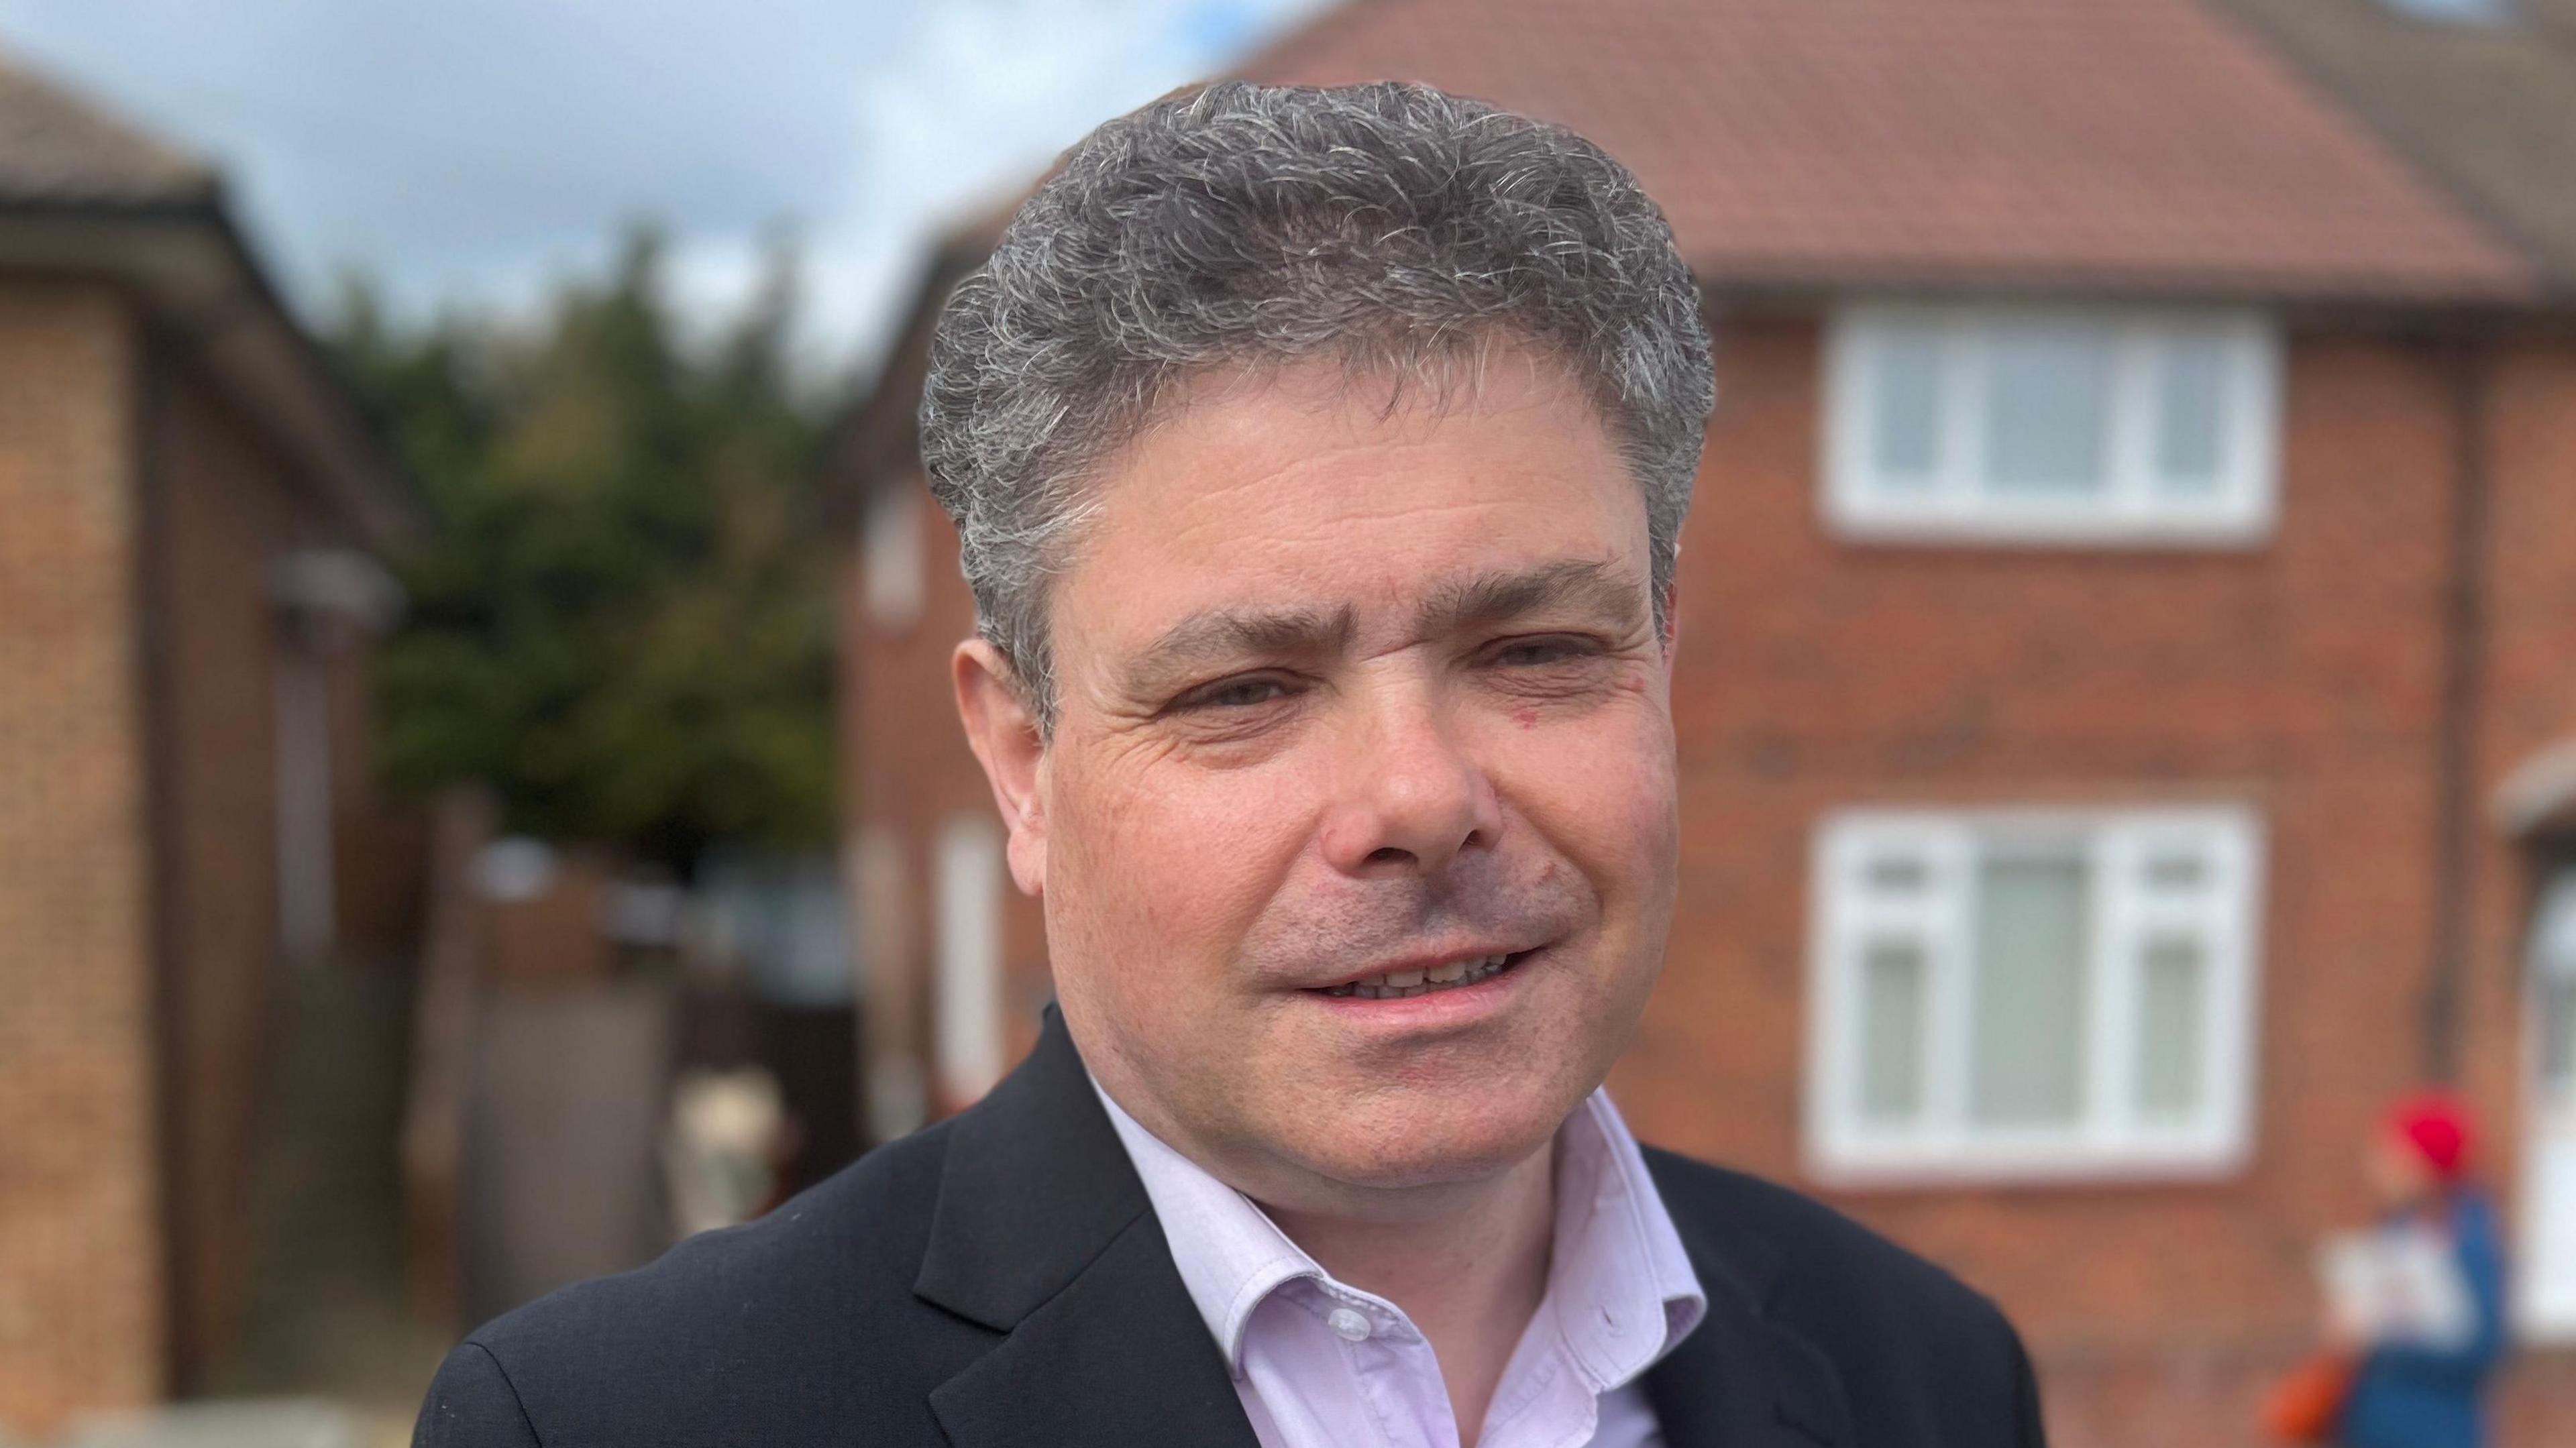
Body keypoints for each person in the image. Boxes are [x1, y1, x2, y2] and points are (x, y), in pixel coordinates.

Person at [413, 80, 2045, 1447]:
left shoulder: (1924, 1373)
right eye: (1244, 688)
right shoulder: (615, 1426)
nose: (1417, 798)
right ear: (1021, 762)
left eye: (1533, 650)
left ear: (1660, 663)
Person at [2330, 1093, 2510, 1448]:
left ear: (2426, 1163)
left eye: (2392, 1154)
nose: (2379, 1165)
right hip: (2376, 1426)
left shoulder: (2470, 1240)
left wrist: (2378, 1340)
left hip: (2436, 1430)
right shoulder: (2395, 1229)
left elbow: (2484, 1347)